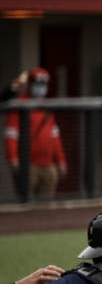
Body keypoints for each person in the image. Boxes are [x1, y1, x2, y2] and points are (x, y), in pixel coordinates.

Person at [3, 68, 67, 199]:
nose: (41, 88)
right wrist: (13, 159)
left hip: (48, 166)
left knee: (47, 206)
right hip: (28, 165)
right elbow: (11, 135)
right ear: (30, 84)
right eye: (38, 84)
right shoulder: (19, 105)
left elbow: (55, 137)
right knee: (27, 204)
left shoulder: (47, 107)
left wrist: (60, 160)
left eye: (43, 84)